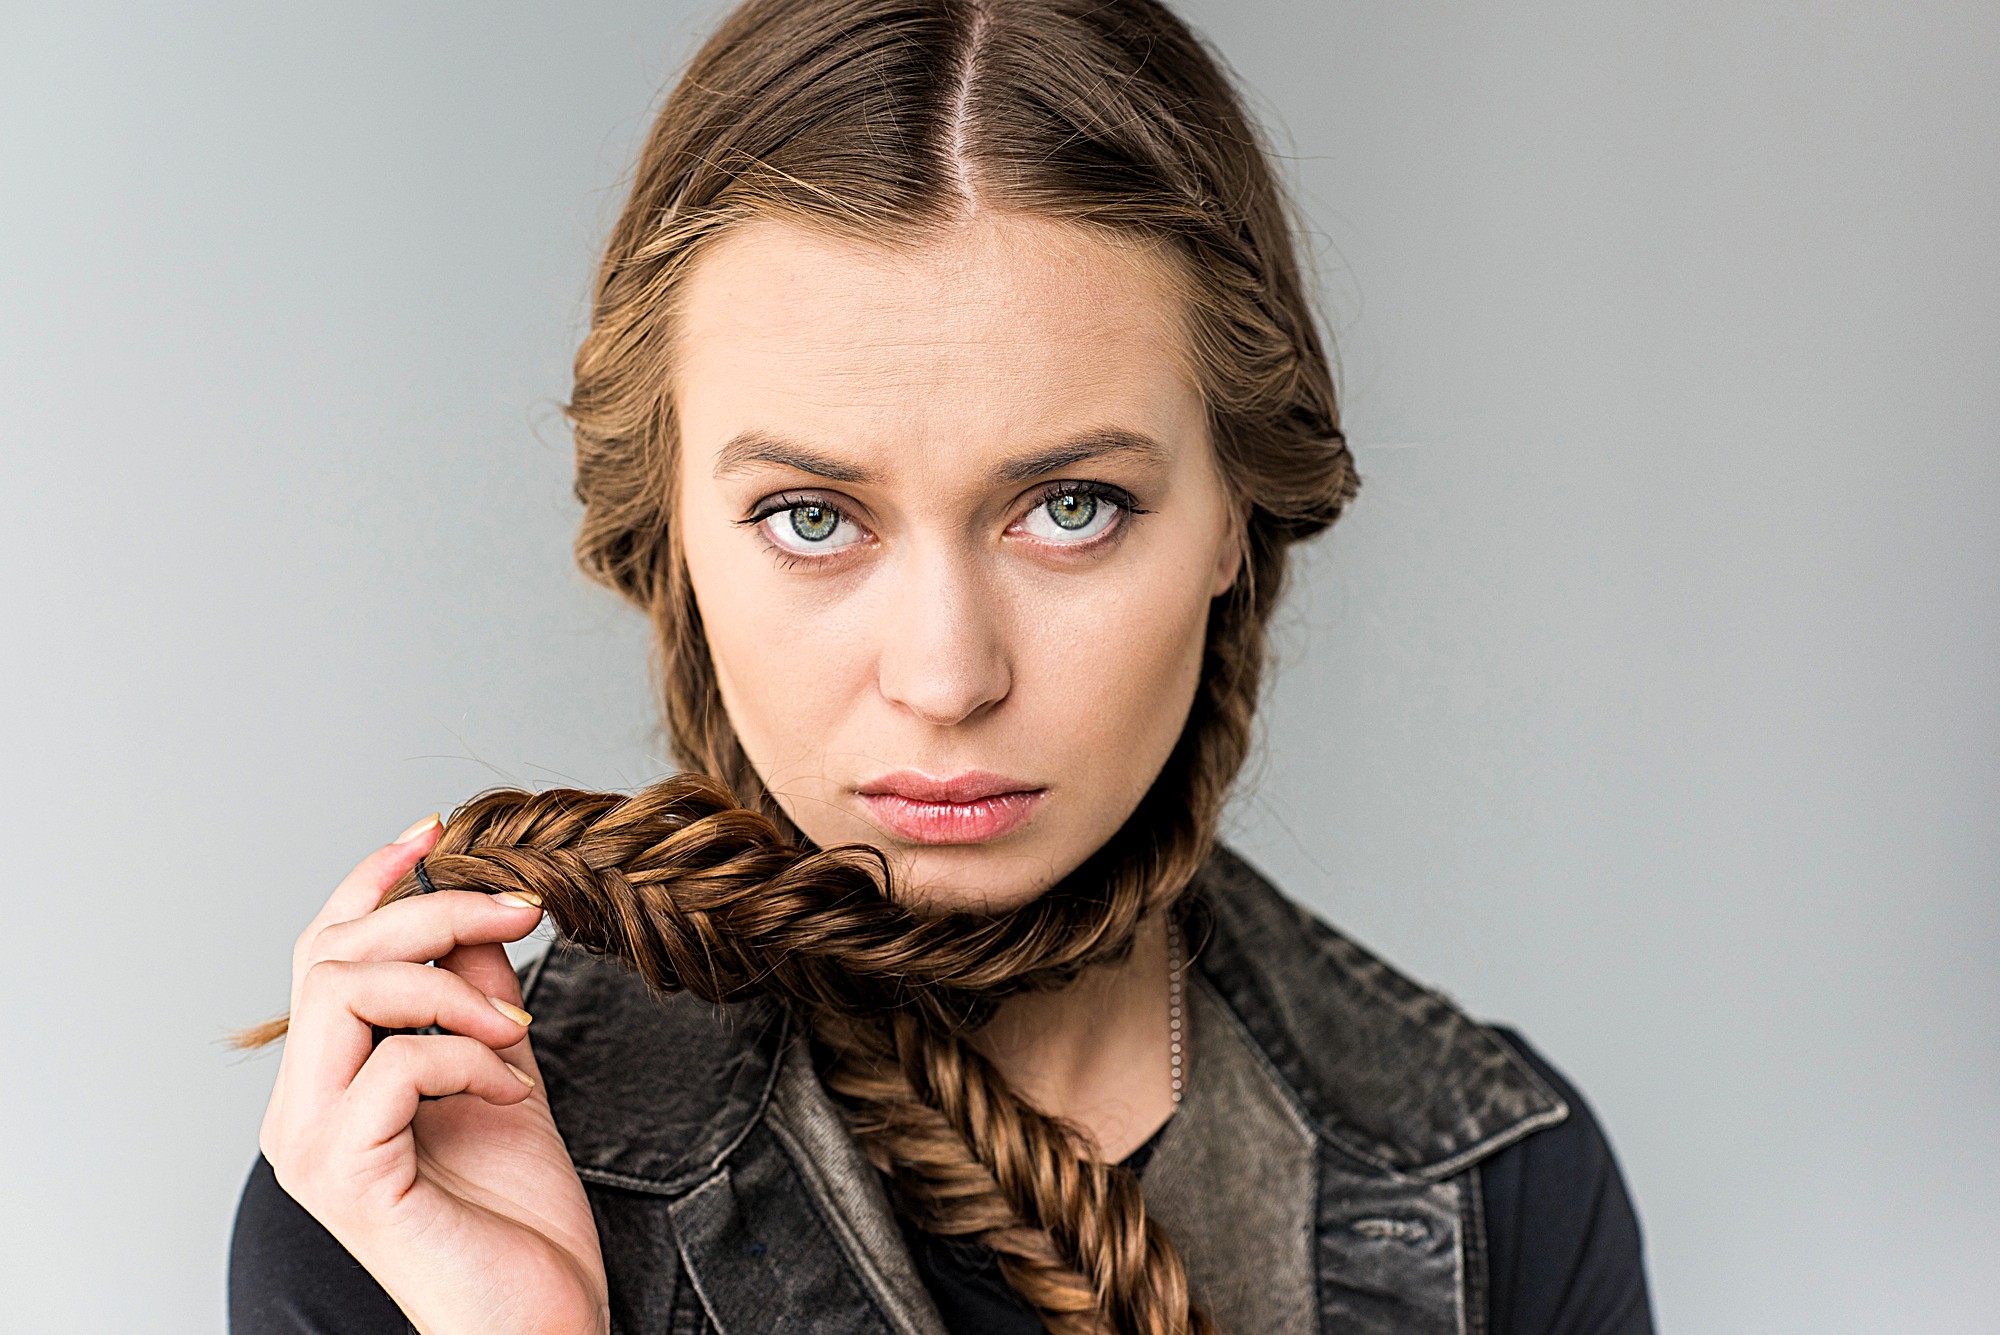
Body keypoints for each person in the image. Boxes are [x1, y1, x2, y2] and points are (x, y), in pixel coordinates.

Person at [227, 1, 1655, 1331]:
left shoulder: (1500, 1195)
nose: (947, 674)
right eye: (812, 518)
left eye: (1070, 508)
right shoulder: (408, 1201)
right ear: (671, 534)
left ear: (1236, 510)